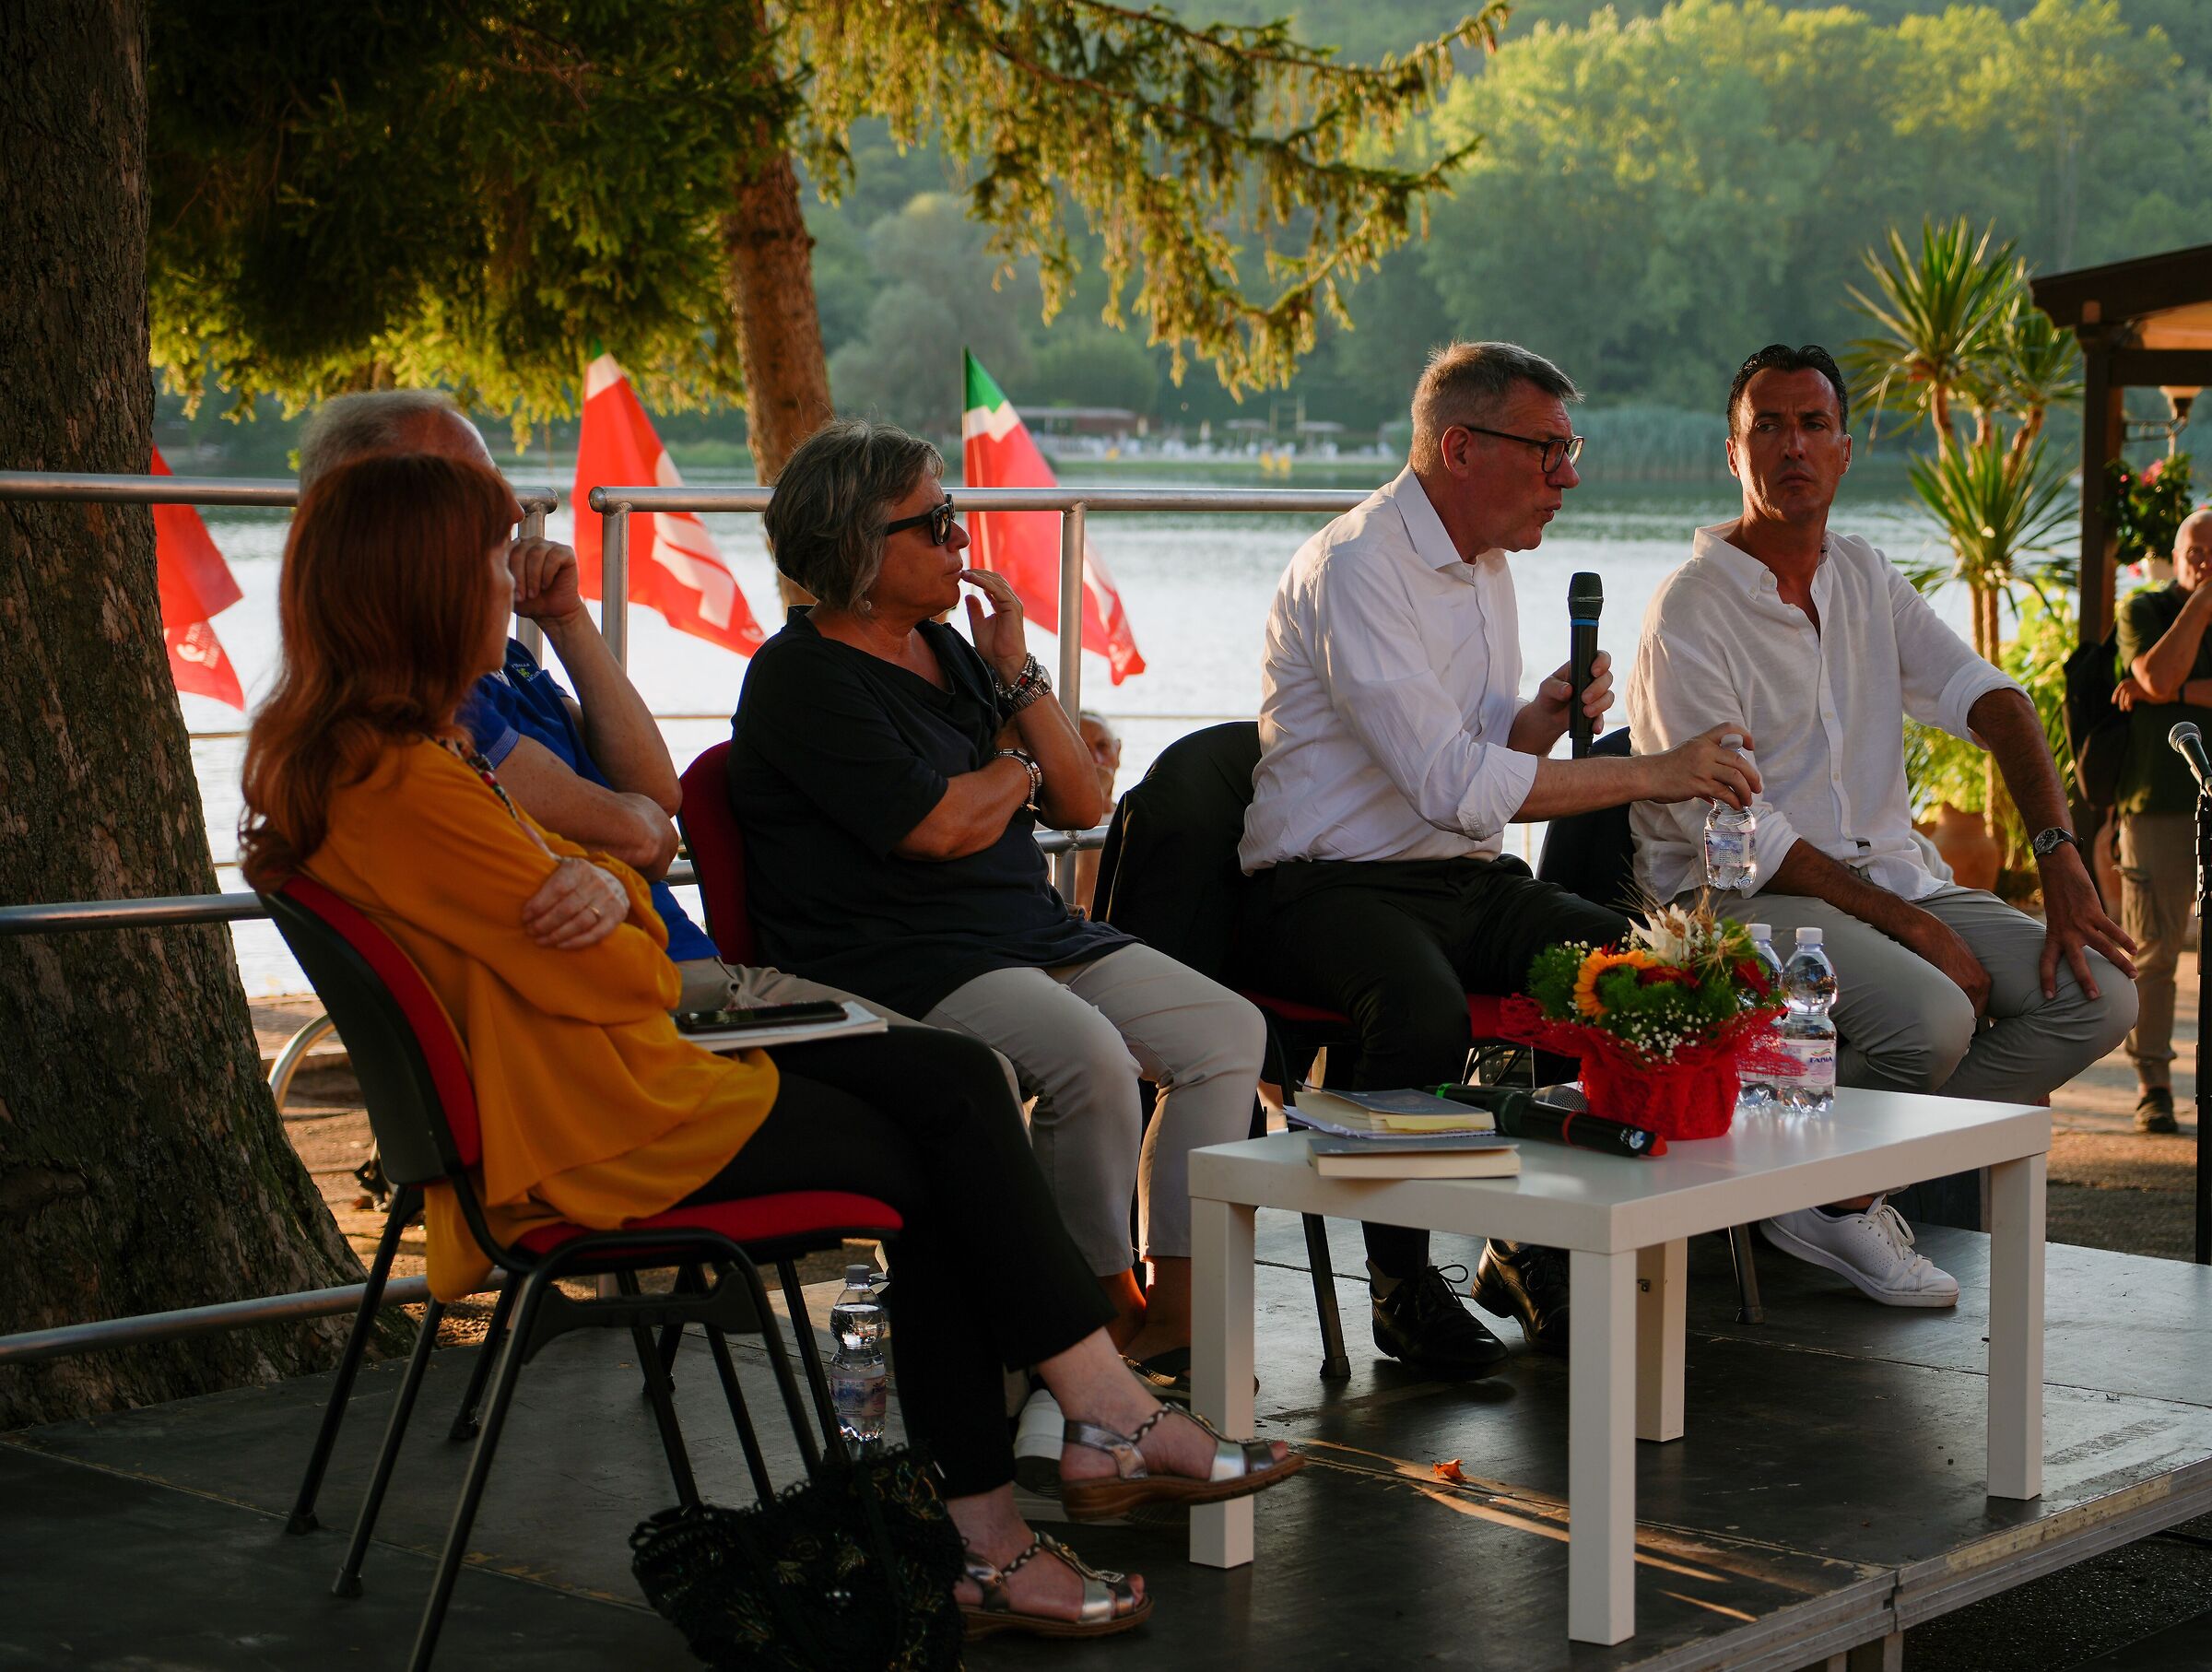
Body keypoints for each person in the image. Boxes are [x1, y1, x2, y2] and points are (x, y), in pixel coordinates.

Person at [237, 453, 1302, 1640]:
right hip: (611, 1120)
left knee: (947, 1090)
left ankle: (1065, 1455)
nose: (509, 583)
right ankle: (1067, 1452)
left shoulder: (369, 756)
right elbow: (633, 961)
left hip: (620, 1078)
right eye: (492, 564)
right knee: (949, 1126)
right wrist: (608, 882)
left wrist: (597, 880)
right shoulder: (411, 781)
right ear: (425, 590)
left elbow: (627, 880)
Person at [1240, 341, 1759, 1372]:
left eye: (1574, 449)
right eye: (1551, 450)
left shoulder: (1487, 567)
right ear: (1461, 447)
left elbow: (1479, 761)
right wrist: (1650, 770)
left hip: (1455, 874)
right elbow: (1449, 784)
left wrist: (1537, 717)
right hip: (1319, 887)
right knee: (1422, 1006)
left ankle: (1529, 1241)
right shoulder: (1357, 567)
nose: (1569, 475)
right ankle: (1398, 1284)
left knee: (1634, 971)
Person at [728, 420, 1266, 1387]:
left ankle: (1178, 1310)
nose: (960, 540)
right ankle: (1090, 1313)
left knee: (1227, 1030)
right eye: (933, 522)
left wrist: (1016, 668)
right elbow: (937, 826)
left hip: (1024, 931)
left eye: (955, 515)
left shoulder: (954, 650)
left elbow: (1084, 799)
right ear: (856, 546)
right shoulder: (798, 677)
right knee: (1090, 1060)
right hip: (900, 953)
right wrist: (1017, 763)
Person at [1628, 343, 2138, 1302]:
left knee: (2101, 993)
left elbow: (1996, 699)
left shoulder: (1863, 575)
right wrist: (1913, 925)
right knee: (1935, 1013)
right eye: (1767, 427)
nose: (1792, 446)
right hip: (1731, 896)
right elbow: (1744, 832)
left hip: (1887, 876)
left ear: (1846, 449)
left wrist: (2060, 853)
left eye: (1813, 424)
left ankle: (1825, 1184)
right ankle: (1824, 1189)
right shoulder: (1690, 610)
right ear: (1731, 454)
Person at [295, 390, 893, 1022]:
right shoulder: (425, 713)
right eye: (470, 480)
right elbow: (641, 837)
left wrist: (568, 619)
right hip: (647, 1007)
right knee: (959, 1082)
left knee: (958, 1078)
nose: (509, 504)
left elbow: (658, 796)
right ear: (386, 516)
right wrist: (625, 846)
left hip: (677, 983)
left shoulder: (493, 663)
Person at [2112, 506, 2212, 1134]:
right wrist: (2200, 603)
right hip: (2159, 808)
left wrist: (2168, 693)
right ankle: (2154, 1086)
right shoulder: (2144, 611)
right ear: (2176, 556)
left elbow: (2161, 684)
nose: (2205, 562)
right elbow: (2156, 670)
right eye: (2196, 552)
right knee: (2154, 956)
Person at [1070, 712, 1124, 915]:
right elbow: (1087, 904)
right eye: (1083, 749)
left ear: (1118, 751)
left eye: (1103, 747)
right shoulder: (1048, 828)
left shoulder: (1132, 817)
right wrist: (1096, 800)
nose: (1096, 760)